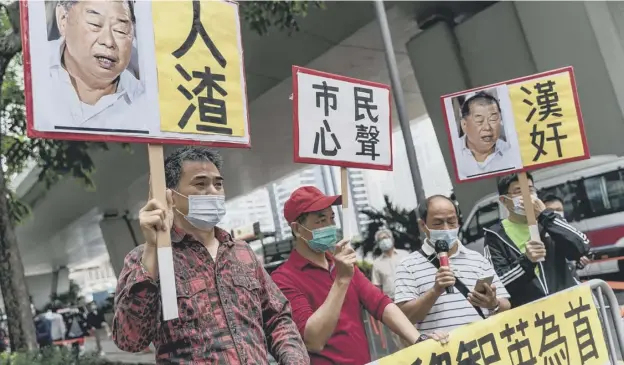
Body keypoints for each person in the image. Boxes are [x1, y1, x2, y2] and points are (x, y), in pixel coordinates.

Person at [113, 146, 309, 364]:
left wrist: (294, 359)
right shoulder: (145, 258)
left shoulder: (242, 253)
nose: (213, 192)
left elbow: (277, 318)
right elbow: (130, 340)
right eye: (200, 184)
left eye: (218, 184)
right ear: (171, 196)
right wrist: (153, 247)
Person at [271, 186, 448, 365]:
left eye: (332, 218)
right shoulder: (283, 279)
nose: (330, 226)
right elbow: (313, 340)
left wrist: (419, 340)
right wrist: (341, 280)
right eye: (321, 220)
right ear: (297, 229)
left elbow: (381, 304)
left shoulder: (342, 265)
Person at [394, 195, 511, 335]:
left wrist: (493, 304)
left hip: (482, 347)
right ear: (423, 225)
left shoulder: (477, 259)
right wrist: (435, 291)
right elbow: (404, 319)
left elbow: (506, 305)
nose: (446, 228)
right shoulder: (408, 266)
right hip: (441, 352)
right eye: (438, 223)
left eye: (451, 221)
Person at [484, 173, 590, 308]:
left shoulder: (549, 221)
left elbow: (582, 247)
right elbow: (500, 282)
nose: (527, 196)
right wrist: (526, 261)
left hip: (570, 305)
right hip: (533, 315)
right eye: (519, 192)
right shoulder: (495, 235)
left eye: (530, 190)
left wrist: (545, 216)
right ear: (504, 200)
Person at [47, 0, 144, 131]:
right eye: (95, 24)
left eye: (120, 30)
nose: (108, 41)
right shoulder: (32, 71)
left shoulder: (145, 102)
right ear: (63, 19)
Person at [456, 91, 520, 178]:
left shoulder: (511, 152)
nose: (487, 127)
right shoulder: (454, 154)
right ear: (464, 125)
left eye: (493, 119)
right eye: (479, 121)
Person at [541, 194, 591, 276]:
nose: (556, 213)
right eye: (551, 210)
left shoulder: (570, 231)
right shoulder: (541, 234)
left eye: (559, 209)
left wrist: (580, 263)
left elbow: (573, 262)